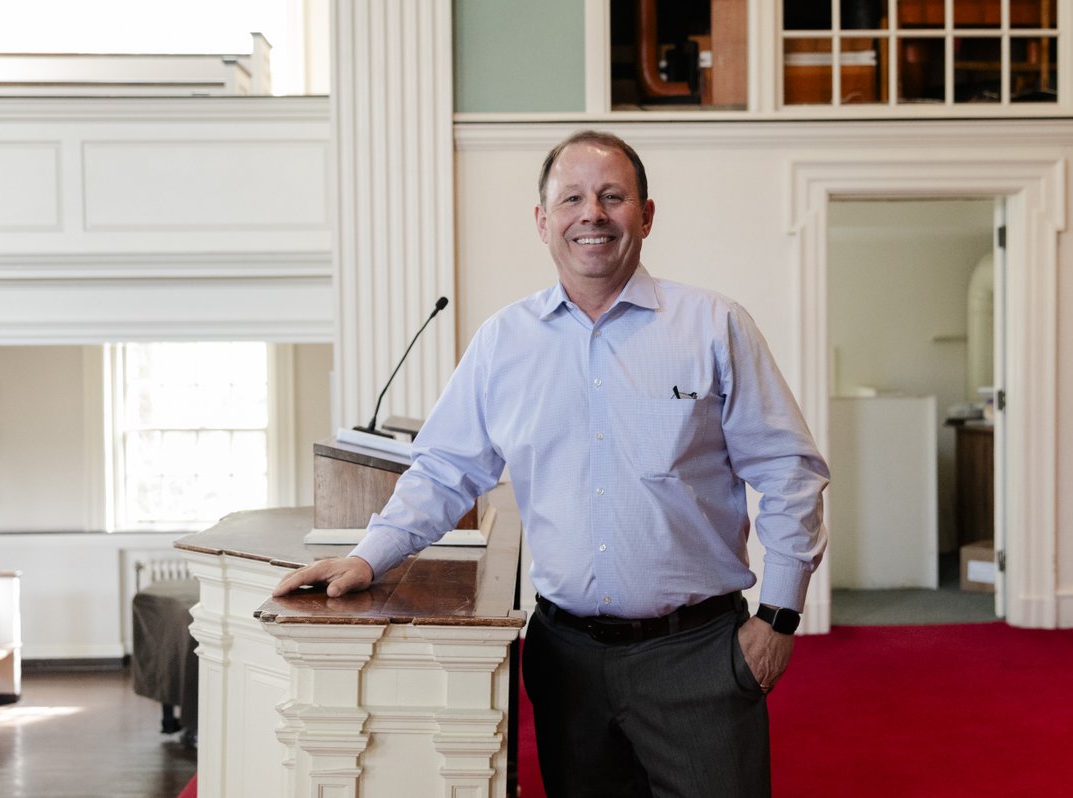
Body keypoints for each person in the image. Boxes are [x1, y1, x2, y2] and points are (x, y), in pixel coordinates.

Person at [274, 130, 829, 797]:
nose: (591, 213)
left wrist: (779, 618)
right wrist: (369, 557)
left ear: (645, 215)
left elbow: (789, 471)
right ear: (543, 222)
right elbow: (446, 470)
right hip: (567, 663)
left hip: (699, 656)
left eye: (612, 196)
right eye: (572, 198)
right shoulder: (504, 343)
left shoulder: (714, 327)